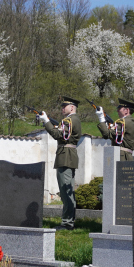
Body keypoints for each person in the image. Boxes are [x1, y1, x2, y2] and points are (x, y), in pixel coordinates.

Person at [39, 97, 81, 230]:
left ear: (72, 107)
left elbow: (58, 135)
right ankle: (68, 220)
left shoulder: (70, 120)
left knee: (66, 190)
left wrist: (46, 121)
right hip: (67, 156)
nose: (62, 108)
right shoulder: (71, 120)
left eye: (65, 106)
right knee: (67, 190)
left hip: (66, 157)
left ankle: (68, 223)